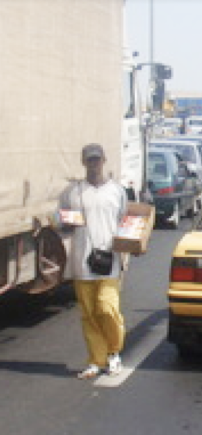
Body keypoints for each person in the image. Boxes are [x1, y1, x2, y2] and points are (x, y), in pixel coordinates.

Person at [58, 144, 129, 380]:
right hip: (82, 261)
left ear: (104, 160)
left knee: (107, 308)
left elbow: (127, 224)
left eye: (97, 159)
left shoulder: (117, 191)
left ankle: (113, 352)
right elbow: (60, 222)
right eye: (89, 160)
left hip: (110, 260)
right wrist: (62, 223)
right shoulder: (72, 192)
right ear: (83, 162)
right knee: (89, 314)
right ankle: (95, 360)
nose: (94, 164)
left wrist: (132, 246)